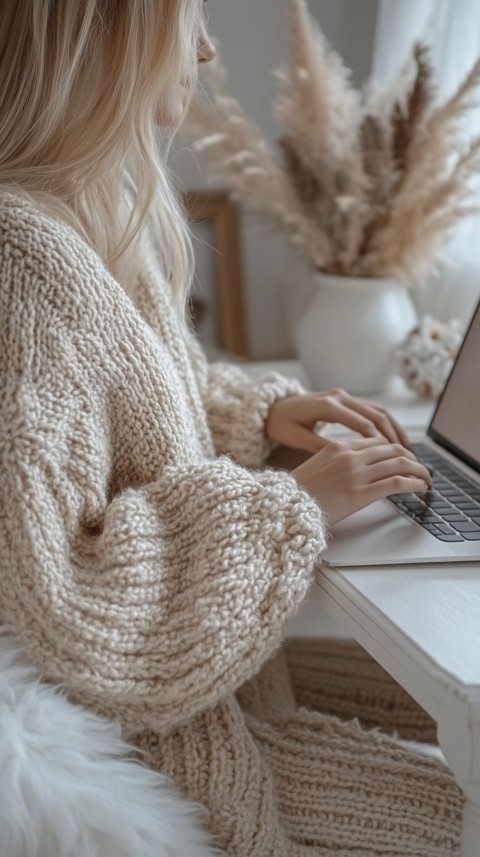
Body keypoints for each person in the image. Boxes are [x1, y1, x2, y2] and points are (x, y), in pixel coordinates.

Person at [0, 2, 462, 855]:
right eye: (190, 19)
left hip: (231, 693)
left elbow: (126, 414)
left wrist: (259, 418)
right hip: (183, 740)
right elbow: (63, 599)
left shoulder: (81, 213)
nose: (208, 47)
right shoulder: (25, 259)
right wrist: (290, 503)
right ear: (110, 38)